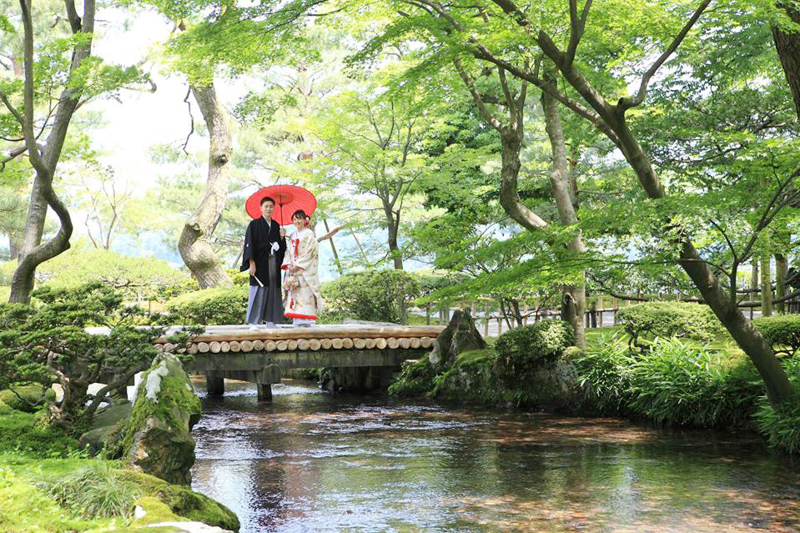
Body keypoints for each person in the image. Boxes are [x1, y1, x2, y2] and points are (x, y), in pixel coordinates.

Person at [241, 196, 286, 328]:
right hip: (259, 263)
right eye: (266, 206)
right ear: (261, 208)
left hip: (273, 262)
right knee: (257, 290)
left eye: (271, 206)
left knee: (273, 291)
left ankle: (270, 321)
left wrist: (282, 238)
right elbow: (249, 244)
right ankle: (253, 322)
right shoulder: (254, 225)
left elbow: (281, 249)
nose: (268, 209)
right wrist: (251, 263)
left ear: (274, 208)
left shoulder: (276, 225)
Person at [282, 209, 323, 326]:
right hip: (294, 270)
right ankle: (297, 320)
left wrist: (298, 265)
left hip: (304, 269)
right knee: (295, 294)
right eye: (294, 219)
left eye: (299, 218)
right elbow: (288, 251)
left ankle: (308, 320)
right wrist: (289, 264)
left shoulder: (309, 233)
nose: (296, 221)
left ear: (305, 220)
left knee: (306, 293)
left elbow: (310, 251)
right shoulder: (292, 235)